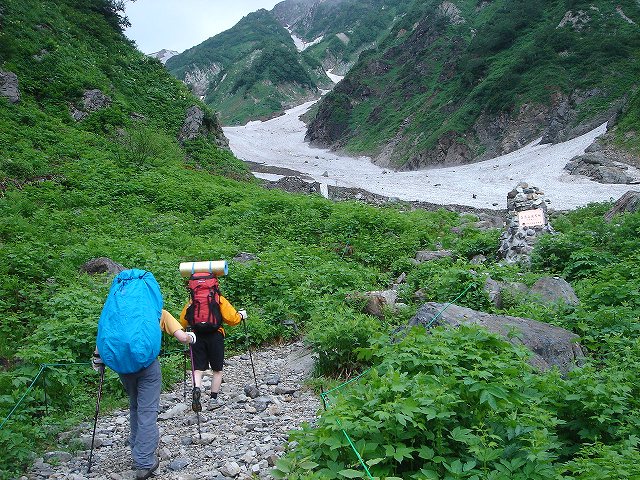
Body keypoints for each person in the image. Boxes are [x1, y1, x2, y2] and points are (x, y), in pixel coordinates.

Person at [92, 309, 196, 480]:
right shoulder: (157, 311)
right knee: (147, 411)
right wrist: (191, 337)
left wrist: (98, 358)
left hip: (124, 367)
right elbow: (182, 337)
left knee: (135, 406)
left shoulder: (115, 310)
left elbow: (103, 336)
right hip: (148, 366)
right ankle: (144, 461)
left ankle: (136, 449)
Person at [179, 290, 246, 412]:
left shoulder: (193, 300)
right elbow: (232, 319)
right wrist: (241, 315)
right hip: (216, 336)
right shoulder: (218, 299)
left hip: (196, 336)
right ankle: (213, 399)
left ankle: (197, 389)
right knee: (217, 369)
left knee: (198, 368)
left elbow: (183, 321)